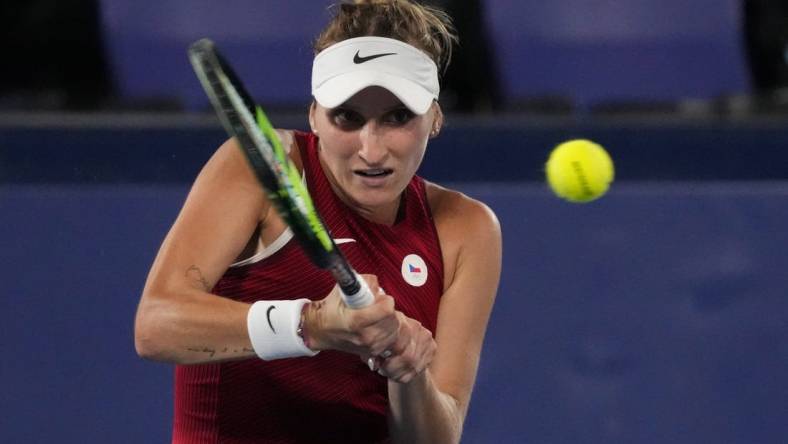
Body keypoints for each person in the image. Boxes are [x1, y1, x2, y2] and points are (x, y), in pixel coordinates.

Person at [134, 1, 502, 442]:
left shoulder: (467, 228)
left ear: (435, 118)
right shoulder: (265, 169)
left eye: (398, 118)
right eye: (347, 117)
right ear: (313, 116)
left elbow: (432, 439)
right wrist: (310, 324)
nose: (371, 150)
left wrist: (408, 371)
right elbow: (155, 327)